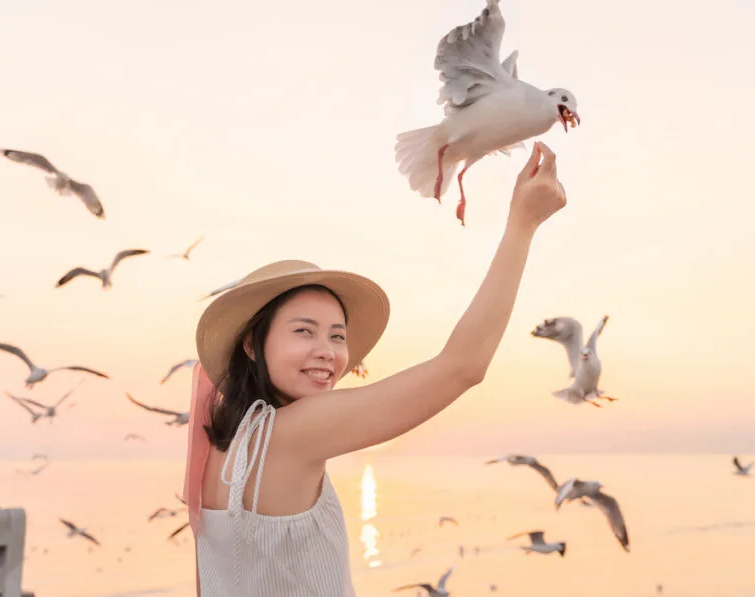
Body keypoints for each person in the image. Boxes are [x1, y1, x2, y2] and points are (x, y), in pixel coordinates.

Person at [183, 141, 568, 596]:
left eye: (338, 335)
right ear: (252, 343)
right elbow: (463, 366)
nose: (327, 351)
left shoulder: (219, 444)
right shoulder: (293, 430)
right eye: (304, 332)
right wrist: (522, 224)